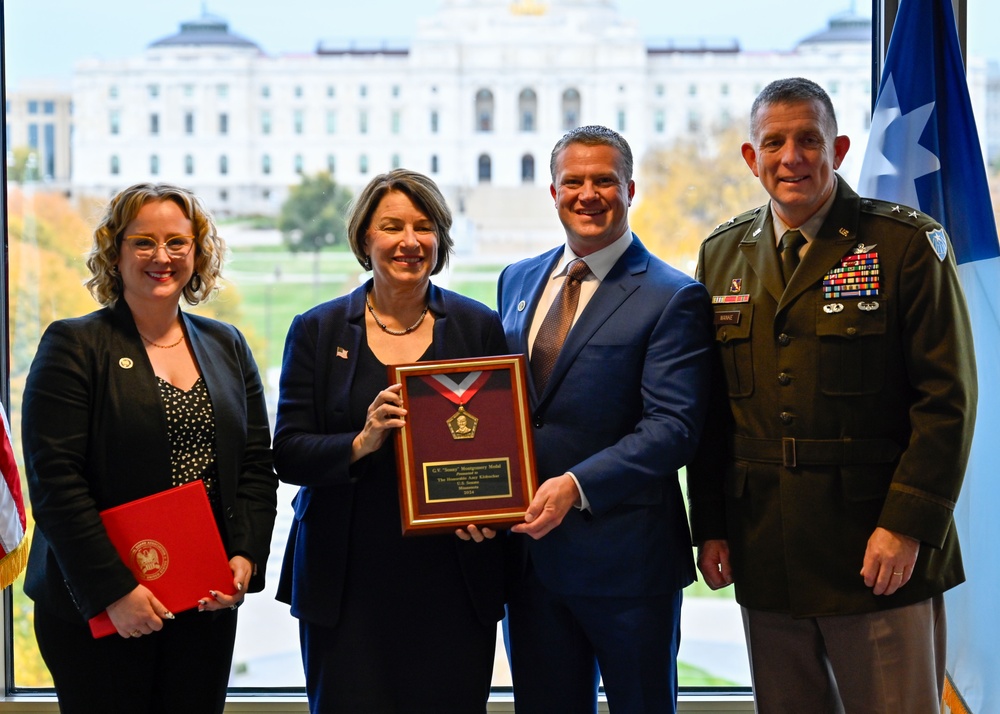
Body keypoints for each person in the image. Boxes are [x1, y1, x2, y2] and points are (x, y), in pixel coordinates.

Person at [690, 77, 978, 713]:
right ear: (750, 157)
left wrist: (905, 526)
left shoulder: (905, 244)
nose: (791, 157)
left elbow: (946, 399)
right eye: (774, 142)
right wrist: (711, 525)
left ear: (839, 148)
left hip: (875, 550)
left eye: (808, 140)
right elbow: (713, 413)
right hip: (767, 549)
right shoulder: (721, 256)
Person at [21, 183, 278, 713]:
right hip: (101, 607)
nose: (162, 257)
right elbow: (55, 483)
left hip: (204, 602)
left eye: (177, 242)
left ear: (197, 252)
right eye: (143, 242)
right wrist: (115, 593)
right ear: (115, 254)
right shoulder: (74, 345)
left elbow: (255, 464)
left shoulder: (226, 344)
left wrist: (245, 558)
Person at [497, 125, 715, 713]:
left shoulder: (672, 295)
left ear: (630, 189)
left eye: (604, 181)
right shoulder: (517, 280)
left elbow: (674, 427)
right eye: (573, 181)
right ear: (553, 191)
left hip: (628, 565)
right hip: (530, 563)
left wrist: (576, 486)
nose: (587, 194)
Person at [274, 168, 507, 713]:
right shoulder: (318, 329)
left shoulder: (478, 327)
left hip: (453, 577)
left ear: (440, 239)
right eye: (392, 226)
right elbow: (287, 451)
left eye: (424, 227)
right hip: (347, 578)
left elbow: (503, 445)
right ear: (364, 238)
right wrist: (360, 441)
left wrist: (493, 507)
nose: (409, 242)